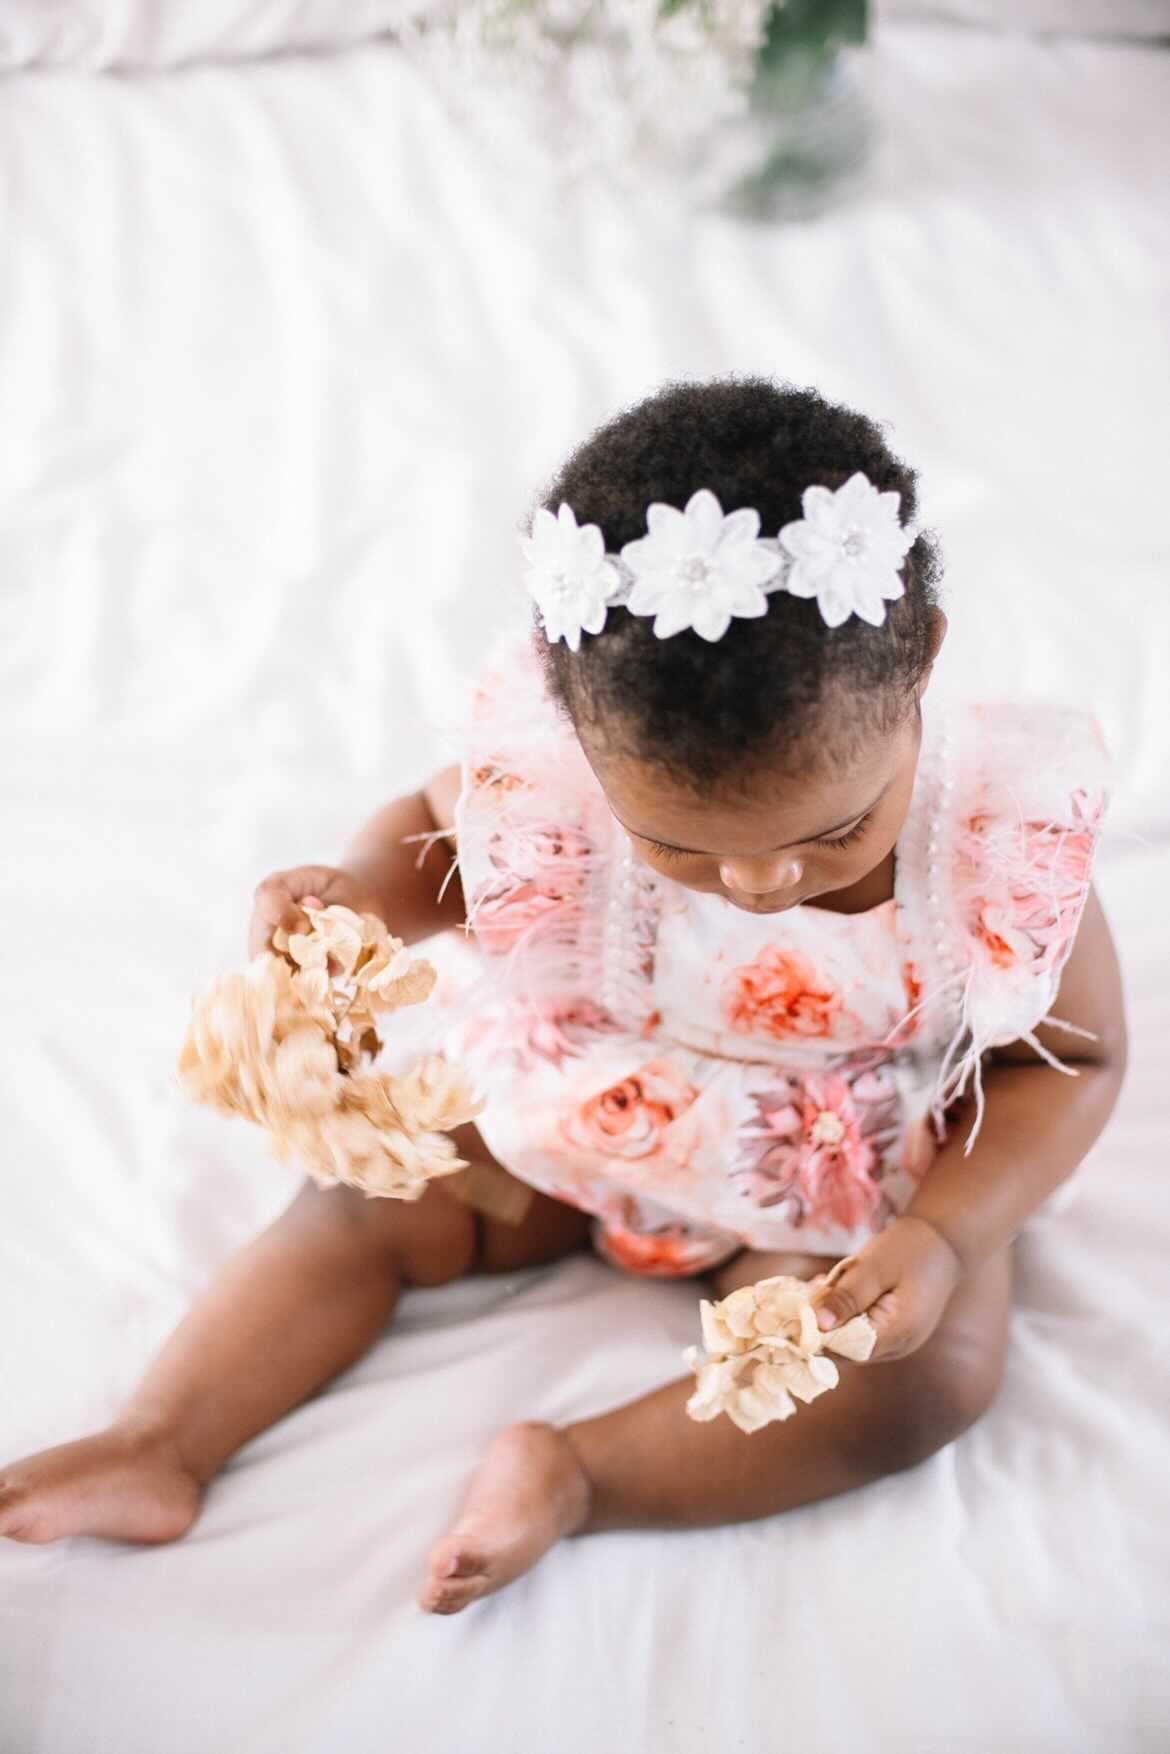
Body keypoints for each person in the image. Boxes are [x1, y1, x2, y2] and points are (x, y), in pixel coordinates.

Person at [0, 379, 1125, 1616]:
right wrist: (354, 903)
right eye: (680, 846)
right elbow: (438, 845)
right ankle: (163, 1438)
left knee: (921, 1381)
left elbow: (1069, 1063)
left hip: (831, 1177)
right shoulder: (560, 776)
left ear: (920, 660)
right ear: (576, 735)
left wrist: (947, 1235)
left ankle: (580, 1474)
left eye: (834, 832)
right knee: (364, 1202)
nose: (755, 883)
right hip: (581, 1103)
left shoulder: (993, 841)